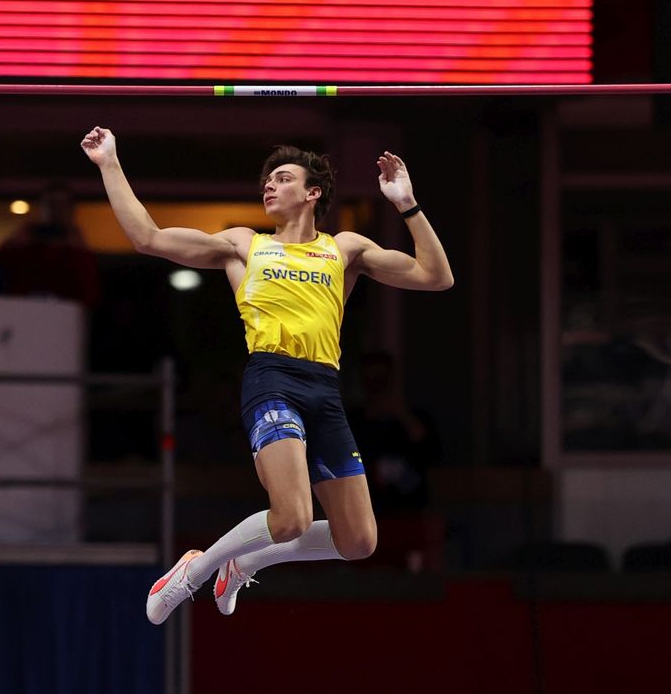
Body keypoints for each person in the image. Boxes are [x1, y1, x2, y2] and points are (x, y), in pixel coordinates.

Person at [81, 127, 455, 624]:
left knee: (359, 541)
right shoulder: (244, 246)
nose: (269, 186)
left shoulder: (345, 249)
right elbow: (148, 238)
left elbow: (437, 276)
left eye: (282, 178)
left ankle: (242, 563)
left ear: (313, 192)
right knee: (293, 517)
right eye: (267, 180)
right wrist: (109, 163)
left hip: (325, 389)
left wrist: (407, 204)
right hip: (271, 380)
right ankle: (191, 574)